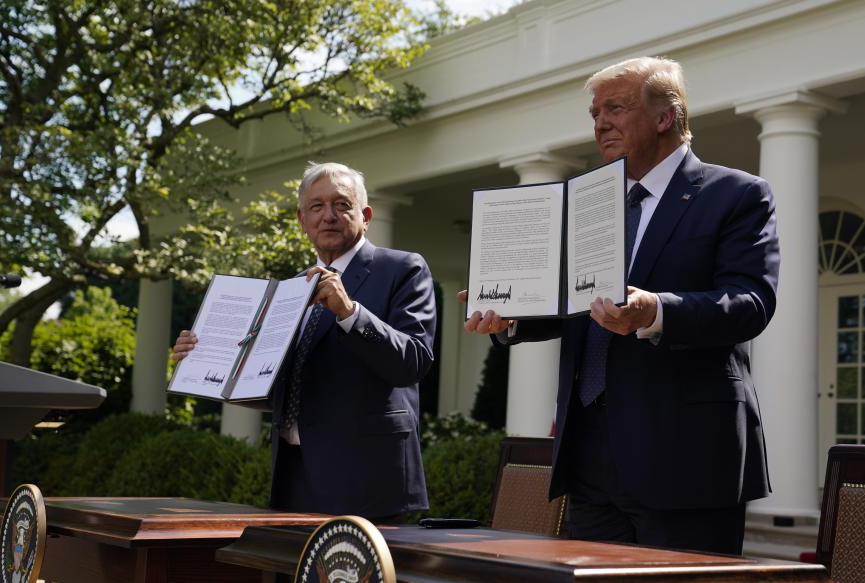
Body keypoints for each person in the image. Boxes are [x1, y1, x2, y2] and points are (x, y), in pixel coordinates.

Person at [462, 56, 779, 555]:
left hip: (685, 457)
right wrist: (512, 314)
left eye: (615, 108)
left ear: (664, 117)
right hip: (589, 457)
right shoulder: (583, 201)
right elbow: (568, 301)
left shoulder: (736, 194)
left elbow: (750, 303)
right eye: (594, 113)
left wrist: (656, 311)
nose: (600, 123)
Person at [172, 162, 436, 522]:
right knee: (289, 580)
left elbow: (414, 363)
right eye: (316, 206)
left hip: (367, 482)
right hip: (294, 476)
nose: (328, 216)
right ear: (301, 218)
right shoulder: (290, 288)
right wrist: (205, 364)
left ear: (366, 215)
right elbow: (280, 389)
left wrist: (349, 312)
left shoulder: (403, 269)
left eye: (342, 204)